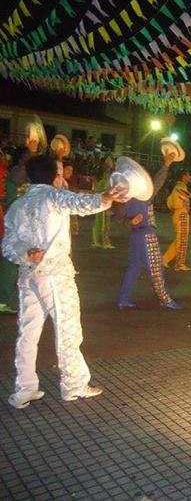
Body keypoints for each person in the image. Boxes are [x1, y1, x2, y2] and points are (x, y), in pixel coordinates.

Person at [2, 155, 128, 409]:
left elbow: (7, 245)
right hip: (56, 277)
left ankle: (24, 389)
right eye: (58, 173)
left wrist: (26, 253)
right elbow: (83, 203)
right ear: (52, 176)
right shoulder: (54, 197)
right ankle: (74, 385)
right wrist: (107, 197)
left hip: (28, 276)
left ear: (29, 176)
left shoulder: (18, 205)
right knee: (68, 330)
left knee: (27, 334)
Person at [117, 153, 183, 311]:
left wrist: (130, 222)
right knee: (156, 268)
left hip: (134, 236)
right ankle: (165, 299)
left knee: (133, 268)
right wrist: (166, 165)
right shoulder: (144, 196)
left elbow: (118, 219)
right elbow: (157, 182)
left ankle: (123, 299)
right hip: (147, 235)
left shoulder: (122, 197)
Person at [0, 117, 46, 315]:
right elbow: (19, 177)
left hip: (25, 220)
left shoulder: (26, 169)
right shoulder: (17, 171)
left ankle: (13, 298)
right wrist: (31, 152)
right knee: (12, 260)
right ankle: (4, 298)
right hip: (15, 220)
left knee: (23, 260)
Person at [162, 168, 191, 271]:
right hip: (182, 213)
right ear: (184, 176)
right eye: (188, 175)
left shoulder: (177, 187)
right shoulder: (180, 187)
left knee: (180, 239)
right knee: (182, 239)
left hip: (179, 213)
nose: (190, 177)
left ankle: (166, 259)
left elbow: (170, 202)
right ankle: (179, 264)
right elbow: (186, 201)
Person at [92, 156, 115, 249]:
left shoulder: (110, 174)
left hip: (105, 201)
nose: (109, 163)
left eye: (110, 161)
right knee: (101, 221)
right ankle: (100, 241)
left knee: (104, 222)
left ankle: (102, 241)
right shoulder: (104, 175)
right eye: (108, 161)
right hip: (102, 199)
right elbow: (96, 183)